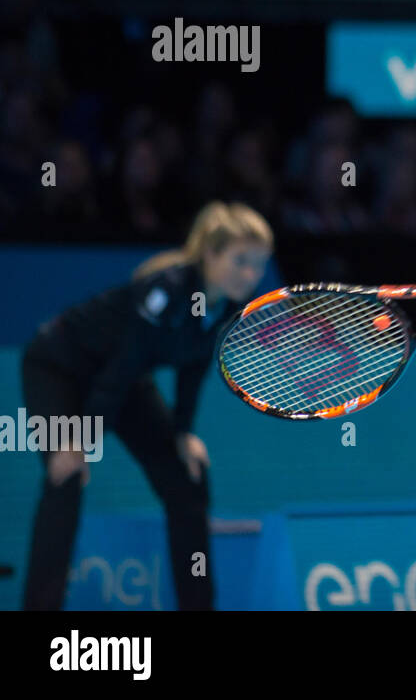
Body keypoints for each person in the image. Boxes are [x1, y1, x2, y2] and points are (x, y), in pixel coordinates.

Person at [21, 201, 273, 610]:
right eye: (241, 260)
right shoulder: (167, 288)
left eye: (259, 264)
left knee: (187, 476)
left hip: (120, 379)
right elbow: (122, 367)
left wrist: (182, 433)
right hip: (58, 366)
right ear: (210, 253)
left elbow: (192, 369)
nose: (251, 274)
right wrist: (79, 441)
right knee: (64, 475)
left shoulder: (225, 306)